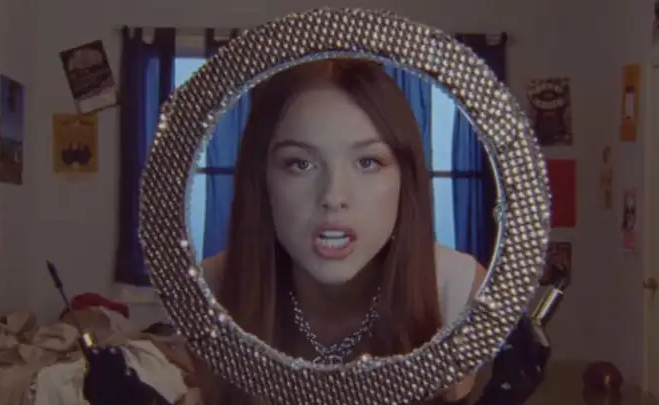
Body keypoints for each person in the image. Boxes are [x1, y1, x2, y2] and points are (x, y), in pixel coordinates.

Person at [198, 59, 488, 405]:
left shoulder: (461, 294)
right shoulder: (206, 292)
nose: (334, 196)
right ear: (261, 179)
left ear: (405, 179)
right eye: (300, 164)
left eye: (368, 162)